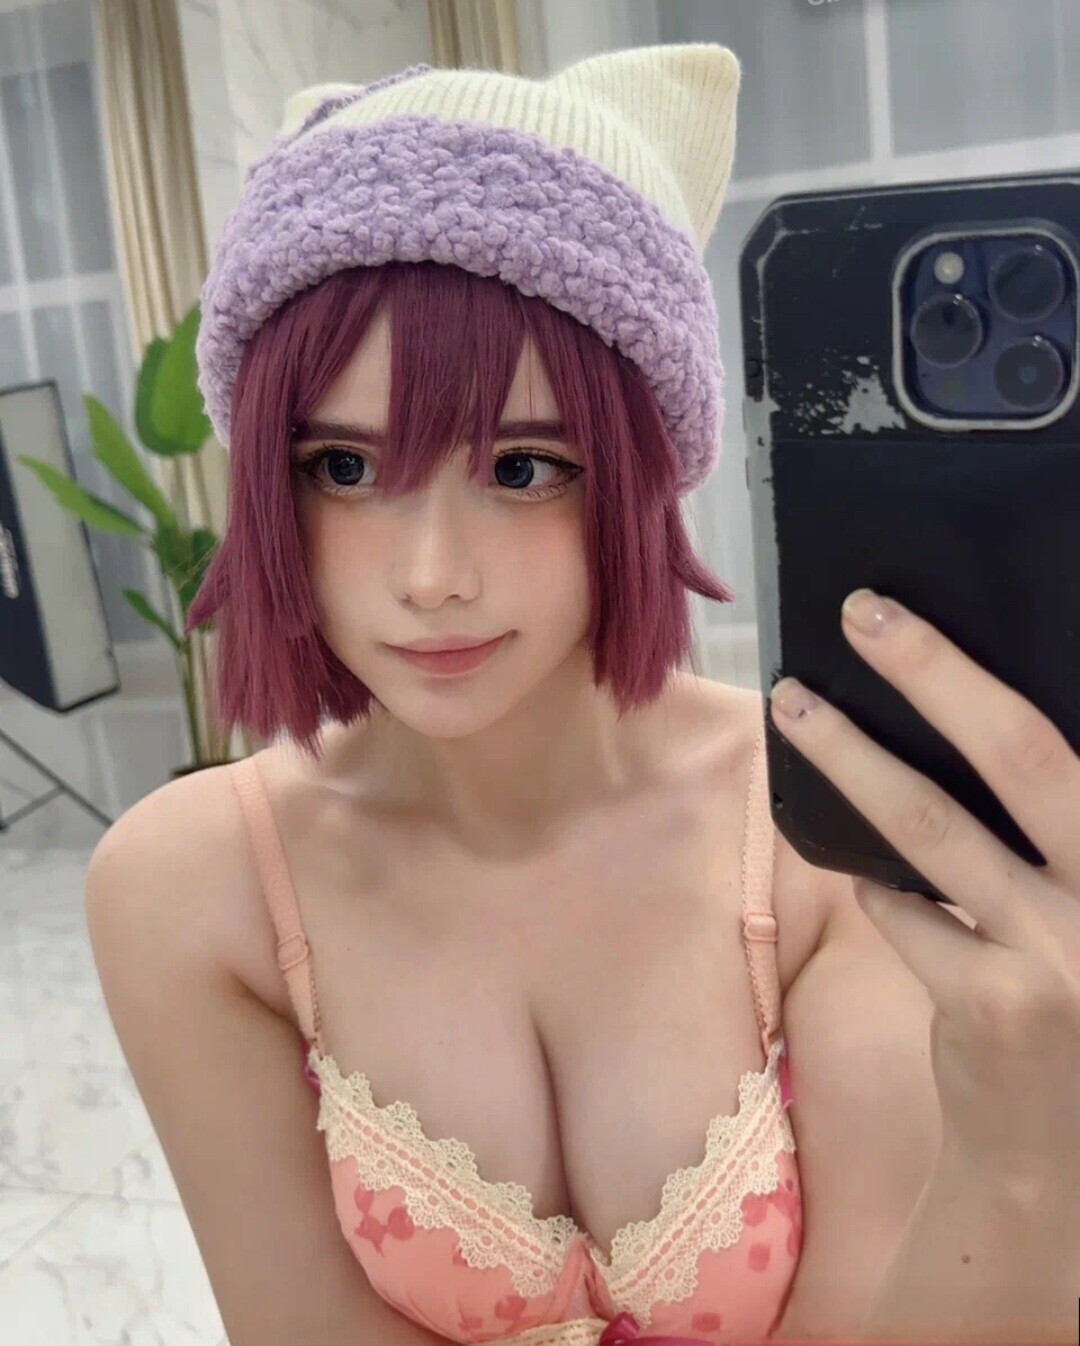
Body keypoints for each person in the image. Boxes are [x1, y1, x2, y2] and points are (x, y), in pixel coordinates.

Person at [84, 44, 1078, 1346]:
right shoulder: (190, 889)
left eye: (521, 466)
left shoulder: (815, 837)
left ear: (641, 471)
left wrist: (1022, 1152)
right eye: (343, 466)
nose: (431, 577)